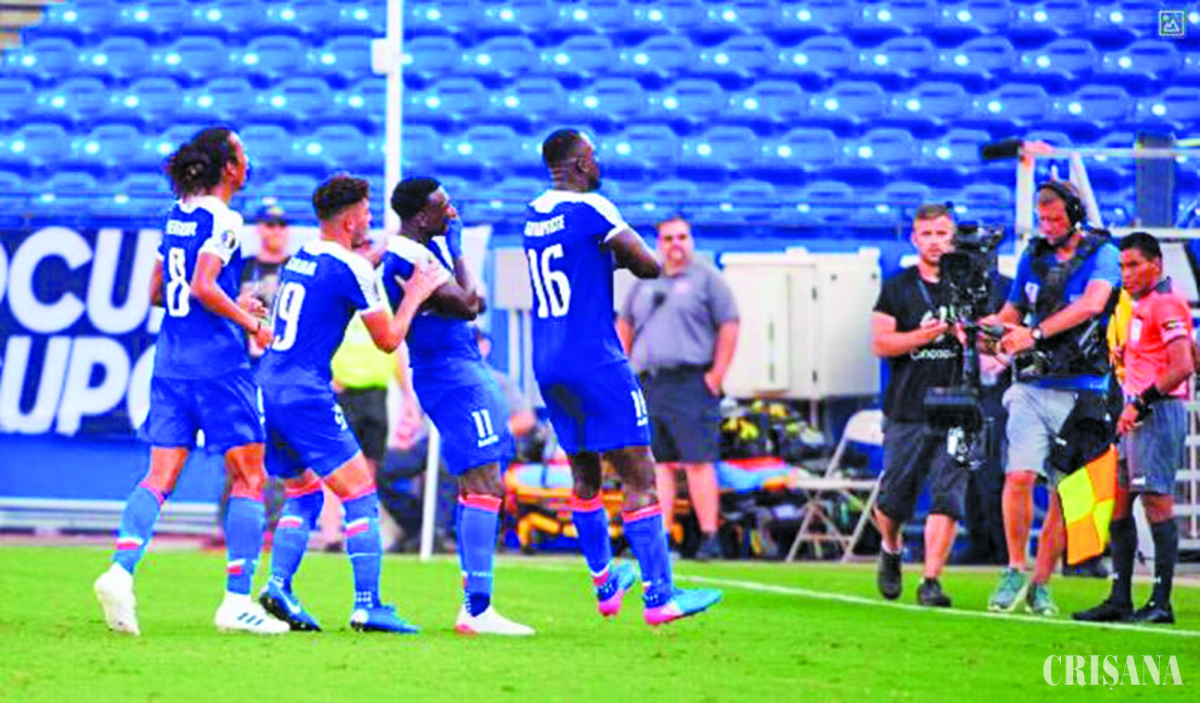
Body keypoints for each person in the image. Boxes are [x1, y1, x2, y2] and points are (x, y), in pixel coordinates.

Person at [93, 126, 287, 635]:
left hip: (170, 362)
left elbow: (159, 292)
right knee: (250, 477)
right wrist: (250, 322)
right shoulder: (225, 218)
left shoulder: (175, 214)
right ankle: (236, 602)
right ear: (229, 167)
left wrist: (229, 299)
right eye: (242, 153)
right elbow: (201, 285)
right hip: (218, 366)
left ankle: (120, 570)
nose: (248, 161)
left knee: (158, 478)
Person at [524, 128, 722, 626]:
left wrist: (600, 261)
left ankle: (605, 585)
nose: (598, 163)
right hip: (594, 357)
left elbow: (577, 264)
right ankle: (660, 598)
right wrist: (617, 256)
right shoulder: (593, 207)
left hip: (547, 361)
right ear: (579, 164)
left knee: (584, 475)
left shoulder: (534, 214)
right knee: (640, 475)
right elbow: (649, 266)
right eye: (592, 155)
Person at [254, 174, 446, 634]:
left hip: (271, 385)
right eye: (366, 211)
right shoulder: (352, 268)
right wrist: (416, 294)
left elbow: (342, 275)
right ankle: (367, 605)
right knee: (360, 493)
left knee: (302, 491)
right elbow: (389, 339)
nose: (371, 218)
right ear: (349, 220)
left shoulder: (303, 254)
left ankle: (279, 586)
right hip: (307, 392)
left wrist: (379, 254)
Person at [380, 176, 534, 636]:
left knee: (479, 480)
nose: (451, 212)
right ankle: (478, 608)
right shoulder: (415, 258)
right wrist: (460, 251)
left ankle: (476, 605)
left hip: (457, 368)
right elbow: (469, 305)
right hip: (450, 371)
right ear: (420, 215)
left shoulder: (423, 250)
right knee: (484, 479)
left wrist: (455, 258)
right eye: (442, 205)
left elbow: (472, 301)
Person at [982, 181, 1121, 616]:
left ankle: (1041, 583)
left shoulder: (1104, 254)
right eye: (1042, 219)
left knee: (1066, 493)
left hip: (1083, 389)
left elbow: (1092, 305)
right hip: (1032, 385)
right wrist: (989, 331)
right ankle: (1014, 567)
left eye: (1055, 219)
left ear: (1075, 214)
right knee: (1018, 476)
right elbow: (1012, 313)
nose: (1048, 227)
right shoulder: (1033, 256)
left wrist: (1034, 334)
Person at [1073, 232, 1191, 625]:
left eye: (1134, 265)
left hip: (1155, 413)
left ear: (1156, 265)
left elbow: (1182, 366)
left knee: (1157, 502)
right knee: (1119, 503)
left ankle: (1161, 601)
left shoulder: (1166, 303)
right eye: (1122, 266)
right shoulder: (1139, 304)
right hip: (1132, 414)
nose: (1126, 273)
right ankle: (1119, 597)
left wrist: (1140, 403)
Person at [616, 216, 739, 560]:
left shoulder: (707, 279)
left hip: (691, 382)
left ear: (691, 240)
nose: (676, 244)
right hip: (651, 382)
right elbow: (625, 324)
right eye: (668, 238)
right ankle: (663, 537)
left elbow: (730, 325)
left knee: (698, 461)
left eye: (682, 237)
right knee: (659, 464)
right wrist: (624, 373)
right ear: (658, 243)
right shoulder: (645, 280)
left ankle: (710, 536)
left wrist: (716, 374)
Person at [870, 203, 970, 607]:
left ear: (953, 237)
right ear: (914, 239)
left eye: (942, 233)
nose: (934, 242)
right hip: (908, 405)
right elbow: (881, 343)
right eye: (926, 234)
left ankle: (931, 579)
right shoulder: (897, 287)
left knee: (948, 494)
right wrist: (922, 336)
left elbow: (995, 337)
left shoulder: (970, 287)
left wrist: (972, 335)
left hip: (959, 405)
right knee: (893, 497)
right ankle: (891, 548)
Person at [240, 201, 291, 363]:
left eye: (282, 225)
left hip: (285, 357)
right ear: (258, 228)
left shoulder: (297, 267)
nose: (277, 231)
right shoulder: (242, 267)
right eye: (270, 225)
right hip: (246, 356)